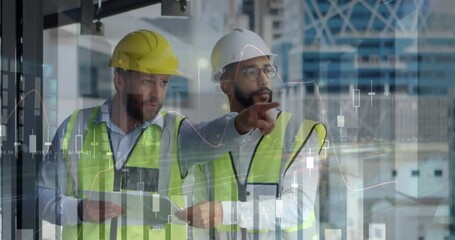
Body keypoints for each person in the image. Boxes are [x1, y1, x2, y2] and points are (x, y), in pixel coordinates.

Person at [37, 29, 279, 240]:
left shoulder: (175, 133)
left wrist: (241, 123)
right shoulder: (76, 128)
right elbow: (40, 196)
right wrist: (78, 209)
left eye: (163, 83)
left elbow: (212, 137)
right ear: (119, 80)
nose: (157, 93)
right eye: (147, 81)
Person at [176, 28, 327, 239]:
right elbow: (202, 220)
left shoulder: (301, 133)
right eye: (251, 72)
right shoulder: (210, 140)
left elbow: (299, 208)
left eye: (268, 70)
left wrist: (224, 212)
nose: (264, 79)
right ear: (227, 86)